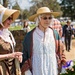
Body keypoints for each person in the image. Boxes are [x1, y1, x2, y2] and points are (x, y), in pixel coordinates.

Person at [21, 7, 66, 75]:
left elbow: (61, 52)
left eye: (50, 18)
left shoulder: (55, 34)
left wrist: (63, 65)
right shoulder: (30, 36)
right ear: (38, 19)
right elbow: (25, 55)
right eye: (45, 18)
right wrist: (27, 71)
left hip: (52, 69)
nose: (47, 20)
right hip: (36, 70)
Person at [0, 4, 22, 75]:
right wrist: (10, 55)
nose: (11, 21)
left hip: (11, 70)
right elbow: (10, 54)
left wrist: (17, 55)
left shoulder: (8, 34)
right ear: (1, 19)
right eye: (8, 18)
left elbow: (11, 51)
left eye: (11, 19)